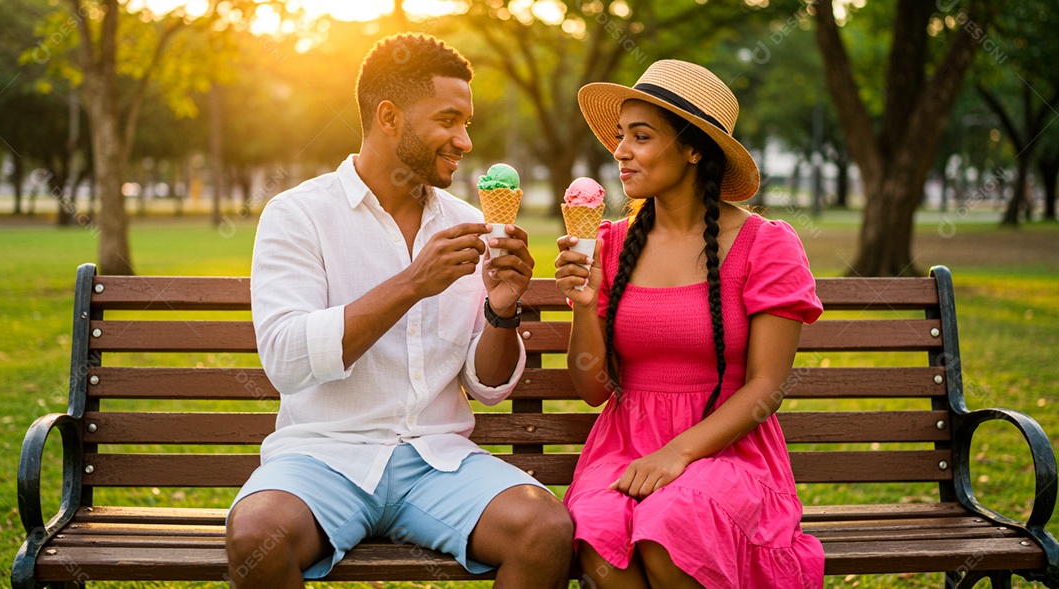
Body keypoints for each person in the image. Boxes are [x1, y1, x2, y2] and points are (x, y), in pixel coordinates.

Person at [226, 33, 573, 589]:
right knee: (255, 537)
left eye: (468, 122)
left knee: (545, 527)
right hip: (323, 458)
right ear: (389, 116)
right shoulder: (298, 216)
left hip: (438, 462)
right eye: (449, 120)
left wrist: (501, 312)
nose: (464, 140)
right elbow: (286, 359)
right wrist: (412, 283)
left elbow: (485, 386)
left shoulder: (467, 223)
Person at [554, 60, 825, 588]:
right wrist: (585, 306)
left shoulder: (766, 245)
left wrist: (676, 455)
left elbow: (767, 389)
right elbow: (591, 390)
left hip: (729, 452)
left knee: (669, 528)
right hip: (623, 448)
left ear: (694, 148)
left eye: (641, 136)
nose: (621, 151)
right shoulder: (609, 245)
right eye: (620, 136)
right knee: (603, 538)